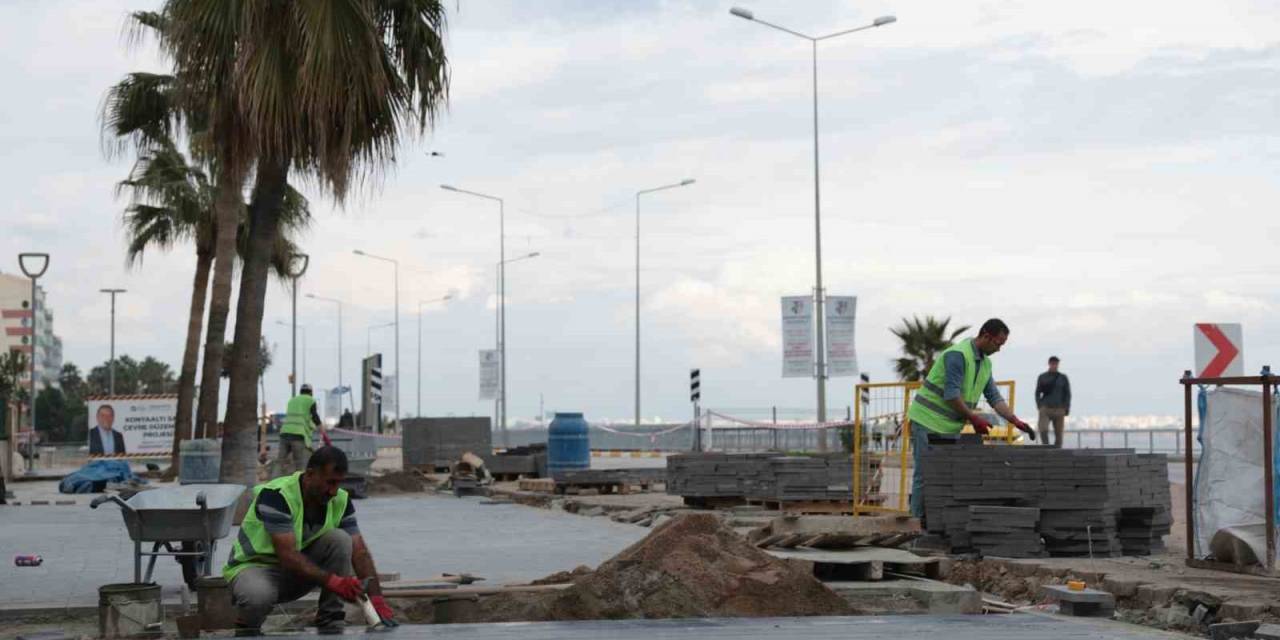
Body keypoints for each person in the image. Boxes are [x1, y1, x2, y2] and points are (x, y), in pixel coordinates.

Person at [224, 446, 395, 634]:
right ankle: (247, 629)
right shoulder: (277, 495)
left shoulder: (339, 500)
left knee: (341, 540)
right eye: (330, 482)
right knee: (257, 596)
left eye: (338, 483)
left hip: (296, 575)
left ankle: (330, 619)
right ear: (310, 474)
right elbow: (287, 555)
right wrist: (335, 582)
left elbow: (359, 551)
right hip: (255, 569)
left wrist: (377, 597)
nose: (333, 491)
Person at [906, 318, 1036, 518]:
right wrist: (974, 419)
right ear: (985, 336)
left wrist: (1014, 420)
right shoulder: (957, 355)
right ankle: (915, 522)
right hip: (926, 420)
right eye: (998, 344)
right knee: (925, 474)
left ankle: (932, 521)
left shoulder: (985, 364)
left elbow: (994, 396)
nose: (999, 349)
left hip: (948, 427)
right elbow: (951, 395)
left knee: (942, 475)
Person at [278, 384, 330, 476]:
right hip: (298, 435)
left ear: (300, 392)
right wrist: (324, 433)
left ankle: (273, 484)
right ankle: (298, 487)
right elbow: (315, 417)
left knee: (280, 463)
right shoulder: (310, 400)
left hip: (284, 433)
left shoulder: (292, 400)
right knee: (299, 466)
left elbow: (303, 417)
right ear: (311, 392)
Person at [1035, 355, 1072, 447]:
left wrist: (1066, 408)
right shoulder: (1042, 377)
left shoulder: (1063, 378)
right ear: (1049, 364)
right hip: (1045, 408)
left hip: (1059, 409)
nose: (1054, 365)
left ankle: (1057, 452)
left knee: (1059, 434)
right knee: (1043, 429)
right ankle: (1046, 448)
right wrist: (1039, 405)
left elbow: (1067, 394)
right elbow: (1037, 392)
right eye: (1053, 364)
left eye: (1056, 364)